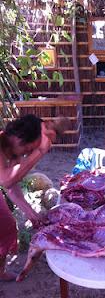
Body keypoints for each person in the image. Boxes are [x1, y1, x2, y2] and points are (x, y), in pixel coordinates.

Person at [0, 114, 55, 281]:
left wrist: (31, 214)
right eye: (29, 149)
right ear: (19, 138)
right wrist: (39, 152)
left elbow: (12, 188)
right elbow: (7, 179)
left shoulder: (12, 151)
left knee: (8, 225)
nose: (27, 154)